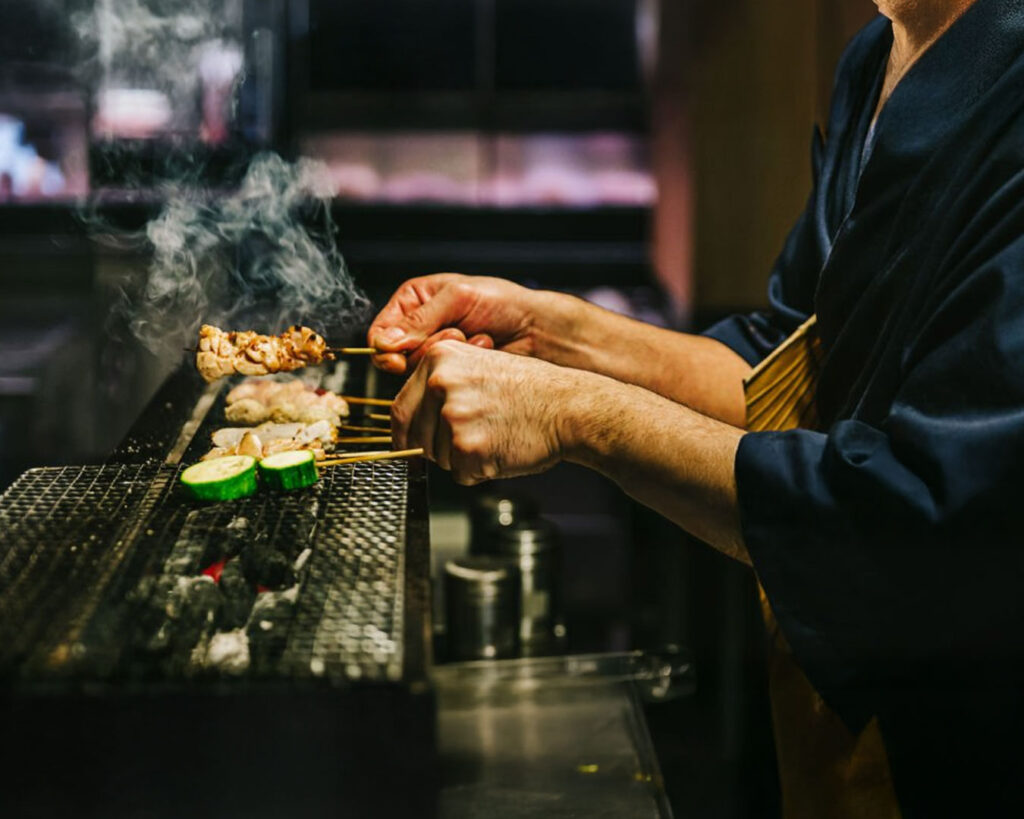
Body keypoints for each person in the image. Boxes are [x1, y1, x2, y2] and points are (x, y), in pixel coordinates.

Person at [368, 0, 1024, 815]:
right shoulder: (878, 59)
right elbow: (785, 370)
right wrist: (549, 330)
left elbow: (920, 519)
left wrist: (575, 414)